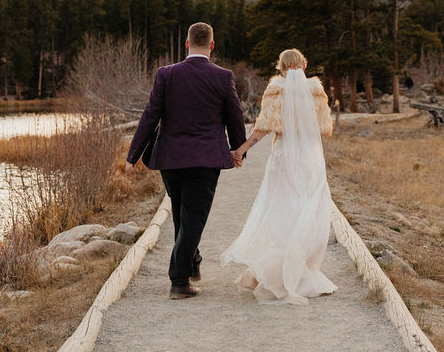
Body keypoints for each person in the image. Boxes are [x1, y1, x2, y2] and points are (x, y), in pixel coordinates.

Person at [126, 22, 247, 299]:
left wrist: (133, 155)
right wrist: (238, 150)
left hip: (170, 158)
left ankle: (192, 264)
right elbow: (235, 116)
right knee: (193, 218)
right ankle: (179, 281)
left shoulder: (166, 74)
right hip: (205, 160)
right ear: (212, 46)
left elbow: (150, 116)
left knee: (182, 214)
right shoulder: (222, 76)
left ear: (186, 44)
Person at [221, 48, 337, 304]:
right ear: (304, 66)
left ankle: (275, 270)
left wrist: (240, 150)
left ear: (281, 68)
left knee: (282, 212)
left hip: (284, 158)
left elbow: (262, 128)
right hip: (309, 159)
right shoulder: (315, 91)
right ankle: (300, 270)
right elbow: (323, 128)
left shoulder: (276, 90)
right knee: (307, 211)